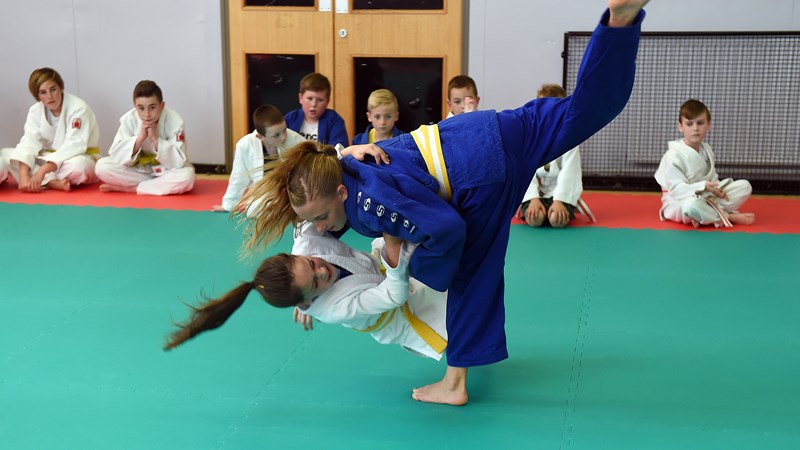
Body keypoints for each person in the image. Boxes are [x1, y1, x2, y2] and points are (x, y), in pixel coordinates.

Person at [240, 0, 649, 406]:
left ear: (341, 194)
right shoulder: (339, 168)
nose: (326, 228)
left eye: (325, 217)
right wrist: (343, 153)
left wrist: (411, 265)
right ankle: (619, 23)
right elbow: (308, 227)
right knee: (585, 110)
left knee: (470, 273)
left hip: (481, 172)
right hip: (483, 129)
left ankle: (455, 383)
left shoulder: (368, 204)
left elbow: (448, 228)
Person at [165, 221, 448, 362]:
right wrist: (394, 249)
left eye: (311, 264)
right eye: (316, 284)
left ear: (296, 254)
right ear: (307, 300)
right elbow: (393, 296)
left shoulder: (305, 242)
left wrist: (344, 153)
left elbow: (308, 191)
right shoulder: (334, 309)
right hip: (398, 315)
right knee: (455, 320)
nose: (322, 271)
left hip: (381, 268)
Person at [655, 99, 754, 228]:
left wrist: (716, 190)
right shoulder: (673, 156)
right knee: (691, 205)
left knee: (744, 186)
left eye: (700, 123)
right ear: (680, 127)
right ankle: (728, 216)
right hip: (679, 201)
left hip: (707, 196)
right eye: (689, 124)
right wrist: (703, 186)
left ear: (709, 125)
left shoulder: (706, 149)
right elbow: (676, 190)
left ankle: (704, 216)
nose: (695, 129)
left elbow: (712, 179)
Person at [2, 67, 100, 193]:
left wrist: (41, 172)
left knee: (80, 167)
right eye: (43, 92)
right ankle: (51, 183)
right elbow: (29, 142)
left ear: (61, 87)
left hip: (79, 156)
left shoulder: (78, 108)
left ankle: (42, 180)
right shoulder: (35, 111)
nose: (49, 96)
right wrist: (23, 176)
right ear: (37, 95)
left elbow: (75, 146)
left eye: (53, 89)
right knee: (7, 154)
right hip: (48, 157)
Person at [95, 80, 195, 195]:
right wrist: (140, 139)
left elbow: (178, 162)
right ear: (135, 107)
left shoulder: (175, 121)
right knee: (102, 167)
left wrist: (157, 140)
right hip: (139, 171)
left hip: (166, 170)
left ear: (162, 106)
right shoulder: (129, 119)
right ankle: (157, 186)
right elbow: (117, 156)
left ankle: (133, 188)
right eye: (141, 108)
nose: (147, 114)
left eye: (152, 107)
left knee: (187, 176)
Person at [213, 105, 307, 212]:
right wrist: (228, 205)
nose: (283, 137)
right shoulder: (245, 146)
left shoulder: (295, 140)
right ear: (260, 136)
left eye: (284, 130)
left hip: (293, 191)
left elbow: (311, 167)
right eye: (276, 135)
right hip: (266, 194)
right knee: (253, 209)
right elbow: (238, 177)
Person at [519, 84, 587, 228]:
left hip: (560, 194)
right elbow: (525, 170)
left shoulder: (570, 139)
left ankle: (558, 205)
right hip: (537, 194)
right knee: (535, 219)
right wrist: (533, 198)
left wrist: (559, 200)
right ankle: (536, 204)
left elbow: (570, 171)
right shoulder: (531, 137)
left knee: (556, 220)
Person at [284, 73, 349, 148]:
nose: (314, 104)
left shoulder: (334, 120)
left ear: (327, 101)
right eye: (310, 98)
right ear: (300, 98)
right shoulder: (290, 119)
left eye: (320, 100)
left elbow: (338, 152)